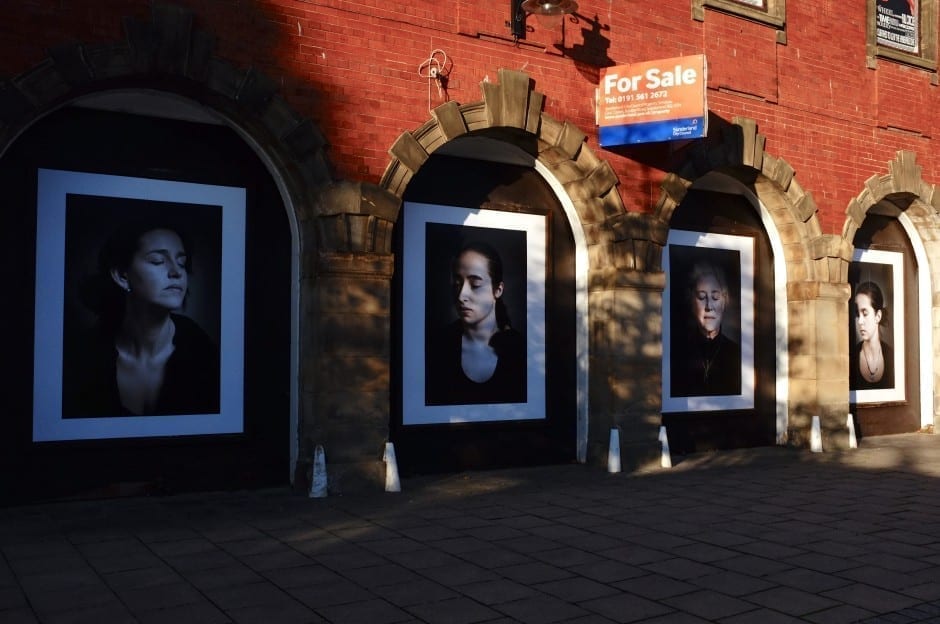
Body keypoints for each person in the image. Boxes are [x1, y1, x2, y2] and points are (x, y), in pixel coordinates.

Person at [63, 219, 220, 417]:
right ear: (122, 276)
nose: (176, 271)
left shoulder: (203, 352)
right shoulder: (83, 358)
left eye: (181, 262)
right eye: (157, 261)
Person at [425, 241, 526, 405]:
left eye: (475, 284)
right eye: (457, 284)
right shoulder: (436, 345)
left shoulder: (520, 349)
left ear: (498, 290)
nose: (461, 295)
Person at [672, 261, 742, 397]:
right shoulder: (677, 354)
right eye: (702, 297)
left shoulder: (737, 353)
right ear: (691, 302)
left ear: (724, 302)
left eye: (715, 297)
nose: (709, 306)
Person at [850, 281, 894, 390]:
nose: (860, 321)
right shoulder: (851, 357)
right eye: (857, 314)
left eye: (865, 313)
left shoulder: (892, 356)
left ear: (878, 316)